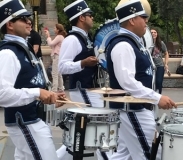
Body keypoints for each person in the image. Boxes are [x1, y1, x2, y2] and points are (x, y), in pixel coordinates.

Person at [106, 0, 176, 159]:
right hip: (132, 110)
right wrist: (157, 98)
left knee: (122, 155)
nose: (146, 21)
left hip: (135, 109)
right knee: (151, 155)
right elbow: (127, 82)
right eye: (142, 17)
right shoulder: (123, 45)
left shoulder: (133, 43)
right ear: (131, 20)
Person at [0, 0, 68, 159]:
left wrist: (48, 96)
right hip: (25, 122)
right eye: (23, 19)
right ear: (10, 24)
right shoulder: (8, 53)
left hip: (32, 120)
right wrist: (37, 92)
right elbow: (2, 94)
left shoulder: (23, 49)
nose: (29, 21)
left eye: (28, 18)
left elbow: (30, 83)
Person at [59, 0, 108, 159]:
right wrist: (83, 63)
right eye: (89, 15)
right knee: (101, 129)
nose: (92, 18)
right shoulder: (72, 39)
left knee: (84, 133)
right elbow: (62, 67)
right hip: (82, 90)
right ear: (81, 17)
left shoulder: (85, 37)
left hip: (89, 89)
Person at [44, 23, 66, 93]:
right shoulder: (61, 37)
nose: (54, 29)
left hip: (57, 56)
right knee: (59, 74)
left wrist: (48, 36)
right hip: (59, 56)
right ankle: (61, 88)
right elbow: (53, 46)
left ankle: (54, 90)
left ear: (58, 29)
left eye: (55, 28)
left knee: (54, 73)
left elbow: (51, 44)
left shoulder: (59, 36)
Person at [150, 27, 169, 93]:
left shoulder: (161, 43)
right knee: (151, 83)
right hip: (150, 66)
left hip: (159, 65)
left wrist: (166, 64)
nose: (153, 34)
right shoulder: (147, 43)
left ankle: (159, 96)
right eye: (151, 32)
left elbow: (166, 53)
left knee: (159, 82)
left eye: (155, 32)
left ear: (157, 34)